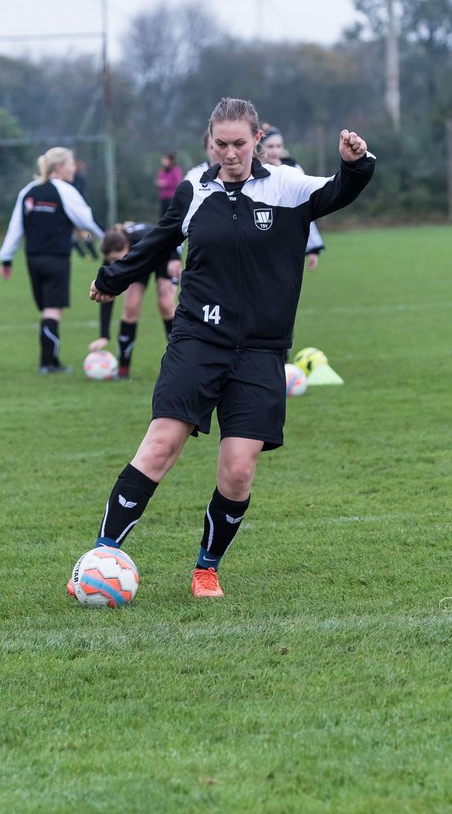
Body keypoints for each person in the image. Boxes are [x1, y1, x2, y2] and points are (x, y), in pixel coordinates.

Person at [82, 97, 374, 599]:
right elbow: (158, 241)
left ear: (257, 140)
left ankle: (206, 568)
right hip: (198, 339)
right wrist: (113, 277)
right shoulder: (195, 186)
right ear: (209, 142)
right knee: (159, 445)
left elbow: (340, 191)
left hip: (260, 351)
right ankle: (100, 558)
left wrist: (356, 165)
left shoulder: (288, 185)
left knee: (238, 469)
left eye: (240, 143)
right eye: (221, 144)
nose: (231, 153)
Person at [0, 146, 104, 374]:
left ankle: (48, 361)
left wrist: (6, 259)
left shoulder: (28, 191)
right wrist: (108, 238)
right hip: (56, 258)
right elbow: (86, 219)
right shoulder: (64, 190)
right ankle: (48, 363)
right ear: (59, 167)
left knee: (47, 309)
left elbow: (15, 227)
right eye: (71, 163)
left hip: (33, 259)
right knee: (53, 310)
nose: (74, 168)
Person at [90, 221, 181, 379]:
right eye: (111, 261)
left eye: (117, 259)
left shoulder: (143, 237)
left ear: (127, 245)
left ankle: (181, 363)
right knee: (131, 306)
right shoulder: (112, 255)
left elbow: (170, 235)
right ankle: (123, 370)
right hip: (137, 263)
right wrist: (104, 334)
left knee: (166, 304)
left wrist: (176, 258)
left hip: (165, 253)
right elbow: (105, 295)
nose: (114, 264)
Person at [261, 126, 325, 270]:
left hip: (286, 239)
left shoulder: (293, 171)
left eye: (278, 146)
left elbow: (305, 210)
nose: (275, 151)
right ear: (259, 147)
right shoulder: (251, 172)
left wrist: (312, 247)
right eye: (270, 146)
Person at [68, 157, 100, 261]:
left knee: (82, 233)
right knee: (77, 233)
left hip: (78, 208)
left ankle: (91, 253)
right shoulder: (72, 179)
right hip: (76, 208)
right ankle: (87, 253)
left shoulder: (77, 179)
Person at [155, 152, 183, 217]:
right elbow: (159, 180)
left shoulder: (176, 170)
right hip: (163, 198)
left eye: (165, 160)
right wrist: (158, 183)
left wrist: (165, 183)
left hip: (172, 198)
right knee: (162, 217)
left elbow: (178, 182)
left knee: (172, 216)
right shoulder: (161, 170)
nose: (163, 161)